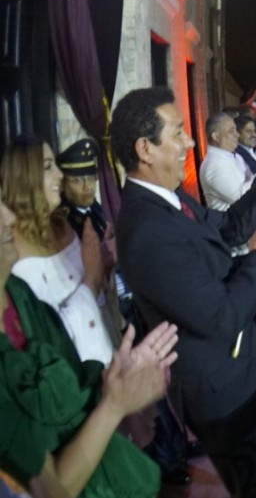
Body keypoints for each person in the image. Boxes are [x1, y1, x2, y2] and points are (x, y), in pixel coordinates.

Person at [111, 87, 256, 498]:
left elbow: (229, 228)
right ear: (145, 148)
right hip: (224, 397)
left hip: (237, 381)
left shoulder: (169, 201)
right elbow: (219, 317)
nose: (188, 142)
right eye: (179, 132)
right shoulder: (148, 232)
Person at [0, 183, 180, 497]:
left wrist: (117, 382)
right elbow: (49, 488)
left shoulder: (17, 292)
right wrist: (113, 405)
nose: (8, 217)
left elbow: (70, 374)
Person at [56, 138, 195, 486]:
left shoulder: (97, 212)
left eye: (90, 178)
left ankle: (174, 449)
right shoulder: (66, 226)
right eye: (78, 180)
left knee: (155, 386)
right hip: (96, 325)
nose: (88, 187)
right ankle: (164, 461)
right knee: (136, 399)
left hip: (118, 310)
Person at [0, 136, 117, 366]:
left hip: (108, 356)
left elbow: (97, 298)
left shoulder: (63, 224)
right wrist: (91, 281)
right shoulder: (10, 250)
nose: (59, 174)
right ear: (24, 178)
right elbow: (44, 333)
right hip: (72, 375)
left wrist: (103, 263)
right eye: (47, 167)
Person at [199, 112, 255, 211]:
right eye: (231, 131)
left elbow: (251, 178)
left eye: (236, 130)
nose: (237, 135)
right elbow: (240, 198)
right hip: (232, 224)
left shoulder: (236, 157)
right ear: (216, 137)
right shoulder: (213, 165)